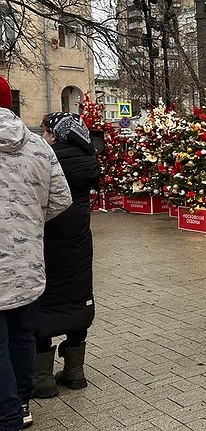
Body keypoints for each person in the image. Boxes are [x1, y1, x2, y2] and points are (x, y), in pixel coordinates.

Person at [0, 76, 72, 431]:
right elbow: (62, 198)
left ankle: (7, 415)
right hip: (27, 263)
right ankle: (22, 404)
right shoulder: (39, 145)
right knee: (22, 337)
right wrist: (29, 222)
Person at [32, 113, 99, 399]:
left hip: (46, 243)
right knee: (78, 297)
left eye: (47, 132)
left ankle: (42, 379)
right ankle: (75, 372)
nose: (44, 137)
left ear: (57, 135)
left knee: (44, 303)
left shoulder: (46, 159)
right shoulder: (89, 161)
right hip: (79, 244)